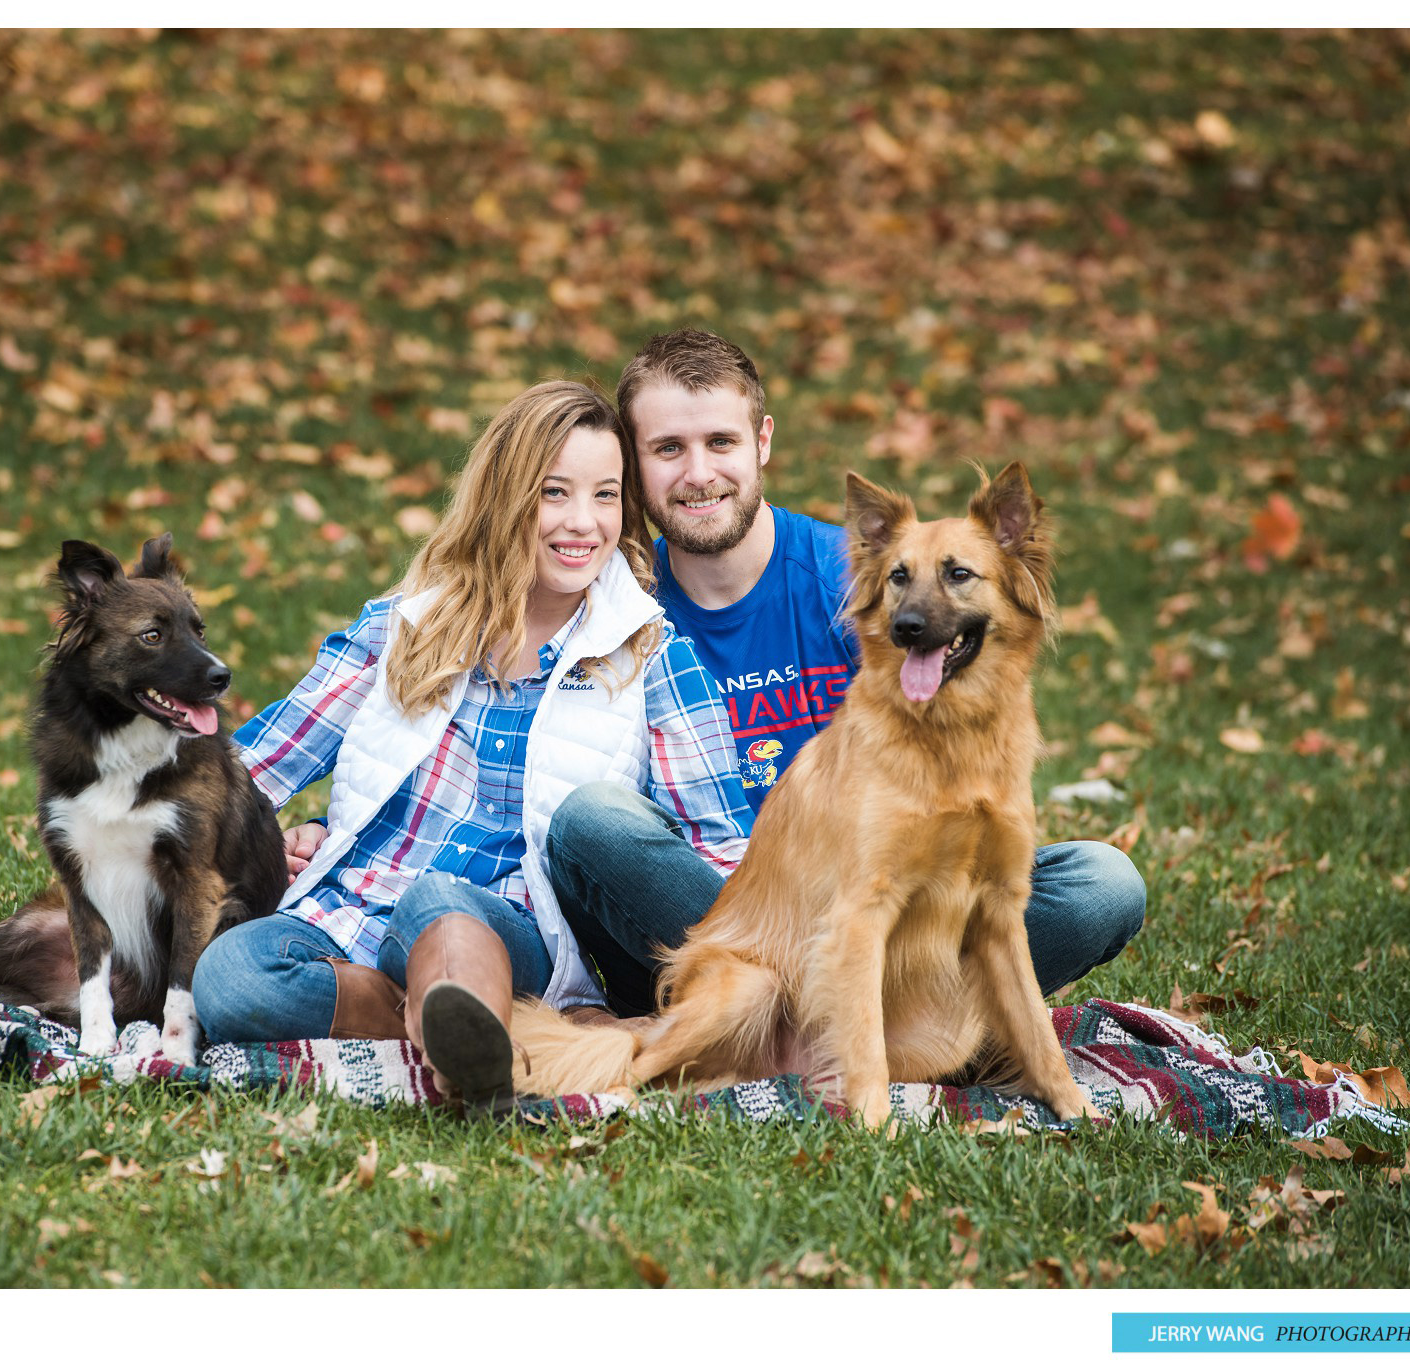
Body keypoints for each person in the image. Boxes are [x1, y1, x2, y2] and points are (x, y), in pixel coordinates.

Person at [549, 330, 1147, 1017]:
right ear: (634, 460)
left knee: (1105, 882)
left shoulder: (864, 579)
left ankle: (859, 1020)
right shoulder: (613, 609)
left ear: (762, 440)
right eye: (667, 449)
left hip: (890, 907)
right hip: (720, 923)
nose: (698, 473)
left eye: (721, 442)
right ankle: (834, 1019)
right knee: (589, 822)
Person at [189, 380, 754, 1104]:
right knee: (231, 978)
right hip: (359, 916)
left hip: (512, 926)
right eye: (554, 493)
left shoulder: (649, 652)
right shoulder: (403, 626)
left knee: (441, 902)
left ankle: (471, 1039)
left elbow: (714, 850)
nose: (583, 523)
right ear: (504, 495)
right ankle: (474, 1029)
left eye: (606, 496)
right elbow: (252, 770)